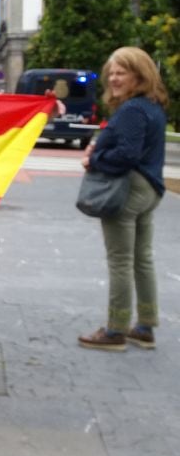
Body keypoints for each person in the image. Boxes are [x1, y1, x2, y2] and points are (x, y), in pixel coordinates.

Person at [77, 47, 168, 352]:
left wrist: (95, 159)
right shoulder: (152, 107)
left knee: (120, 261)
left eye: (121, 72)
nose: (114, 78)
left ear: (139, 76)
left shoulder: (131, 110)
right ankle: (145, 325)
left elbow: (127, 154)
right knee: (142, 258)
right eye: (111, 72)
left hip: (127, 190)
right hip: (150, 190)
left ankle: (115, 330)